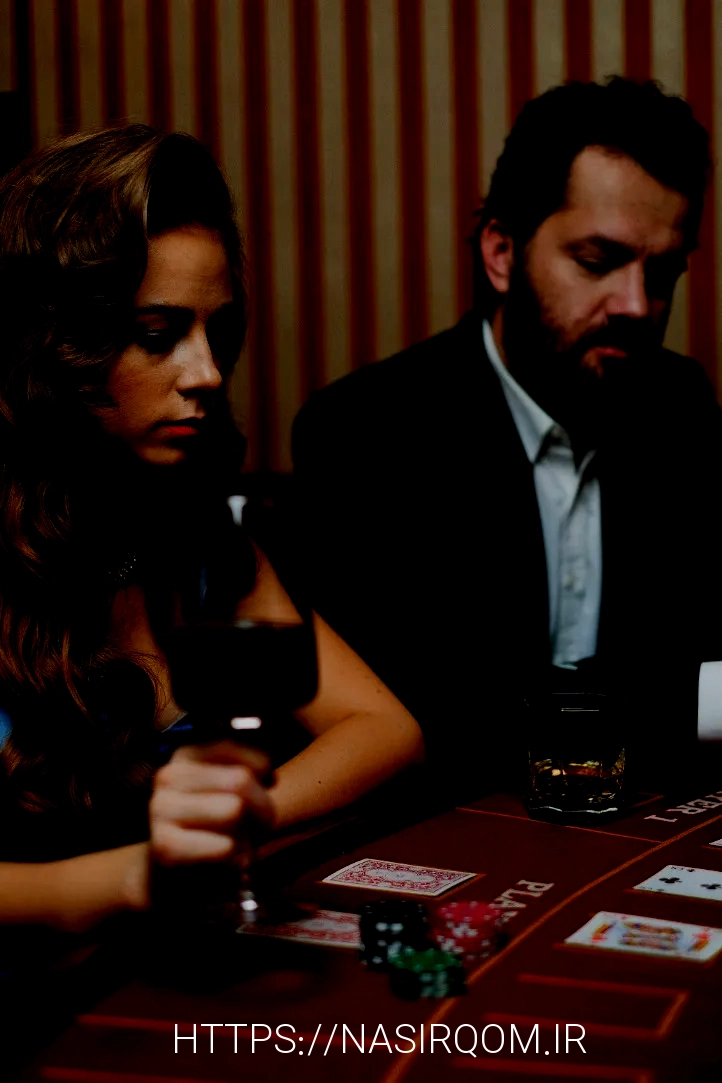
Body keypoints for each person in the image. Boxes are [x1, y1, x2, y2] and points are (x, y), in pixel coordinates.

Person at [0, 126, 424, 934]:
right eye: (158, 335)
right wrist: (138, 873)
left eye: (215, 334)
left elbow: (385, 730)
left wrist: (234, 819)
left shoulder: (188, 528)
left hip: (163, 957)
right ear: (55, 344)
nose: (205, 374)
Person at [290, 78, 722, 796]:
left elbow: (701, 642)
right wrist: (690, 702)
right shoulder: (367, 432)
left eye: (664, 272)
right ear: (501, 252)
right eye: (597, 261)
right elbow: (439, 718)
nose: (637, 305)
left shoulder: (680, 407)